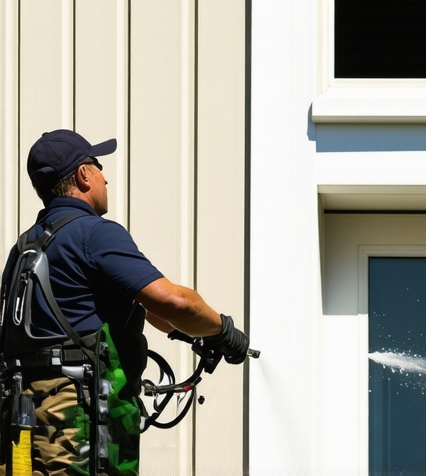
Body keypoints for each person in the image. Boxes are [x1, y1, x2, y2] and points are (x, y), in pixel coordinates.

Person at [0, 129, 249, 476]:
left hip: (27, 426)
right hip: (78, 428)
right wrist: (223, 330)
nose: (106, 177)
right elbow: (175, 302)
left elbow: (145, 310)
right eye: (98, 166)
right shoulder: (94, 233)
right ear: (84, 176)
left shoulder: (26, 248)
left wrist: (193, 335)